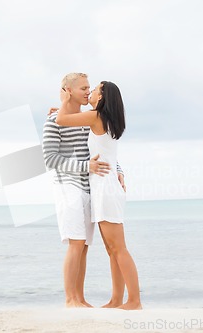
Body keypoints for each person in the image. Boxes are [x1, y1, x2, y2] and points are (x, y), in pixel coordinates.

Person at [56, 80, 142, 310]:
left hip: (105, 188)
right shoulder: (102, 118)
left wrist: (64, 102)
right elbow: (71, 118)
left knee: (118, 248)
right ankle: (116, 300)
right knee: (112, 249)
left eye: (94, 89)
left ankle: (134, 301)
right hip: (105, 186)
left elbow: (62, 120)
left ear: (101, 97)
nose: (91, 91)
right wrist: (64, 109)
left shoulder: (95, 117)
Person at [42, 73, 125, 308]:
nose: (88, 92)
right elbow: (50, 159)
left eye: (90, 87)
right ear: (68, 91)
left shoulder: (86, 120)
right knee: (75, 243)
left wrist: (118, 170)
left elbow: (102, 149)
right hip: (67, 186)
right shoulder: (53, 121)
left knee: (84, 246)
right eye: (83, 88)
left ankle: (80, 298)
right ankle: (71, 300)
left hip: (90, 187)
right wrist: (84, 167)